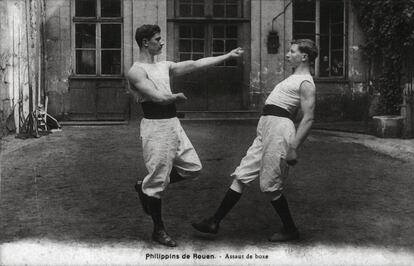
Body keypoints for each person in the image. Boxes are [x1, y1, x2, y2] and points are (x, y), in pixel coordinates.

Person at [127, 24, 244, 247]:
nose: (162, 42)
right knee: (157, 183)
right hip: (155, 128)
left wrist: (227, 55)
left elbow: (195, 64)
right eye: (158, 39)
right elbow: (157, 98)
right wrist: (175, 97)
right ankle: (158, 230)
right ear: (145, 42)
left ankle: (145, 184)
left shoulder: (164, 65)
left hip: (173, 124)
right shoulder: (136, 70)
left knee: (193, 168)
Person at [192, 39, 318, 242]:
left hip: (278, 131)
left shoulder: (305, 83)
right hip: (267, 129)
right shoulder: (294, 78)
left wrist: (293, 146)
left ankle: (290, 229)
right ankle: (214, 221)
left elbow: (309, 118)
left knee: (270, 185)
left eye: (292, 51)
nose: (287, 54)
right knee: (242, 174)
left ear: (304, 56)